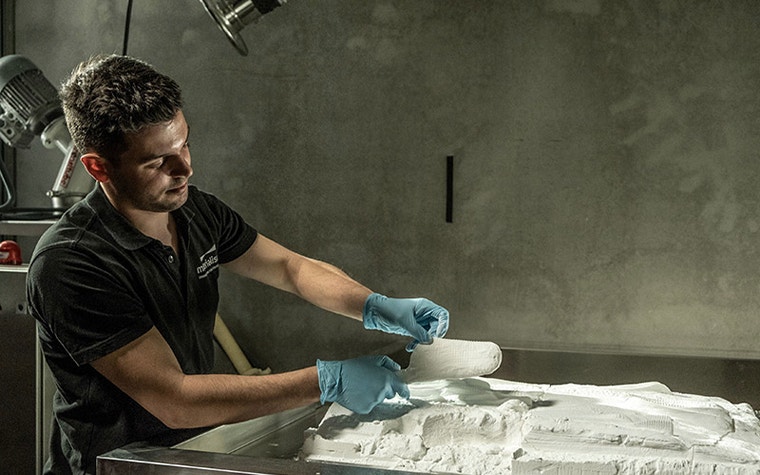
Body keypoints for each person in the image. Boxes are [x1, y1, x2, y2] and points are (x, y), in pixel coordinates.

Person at [26, 54, 449, 475]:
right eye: (157, 162)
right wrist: (326, 381)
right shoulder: (72, 262)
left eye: (185, 143)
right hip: (119, 465)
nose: (185, 168)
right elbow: (174, 399)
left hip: (189, 452)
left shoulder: (194, 212)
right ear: (98, 167)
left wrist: (375, 306)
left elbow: (288, 267)